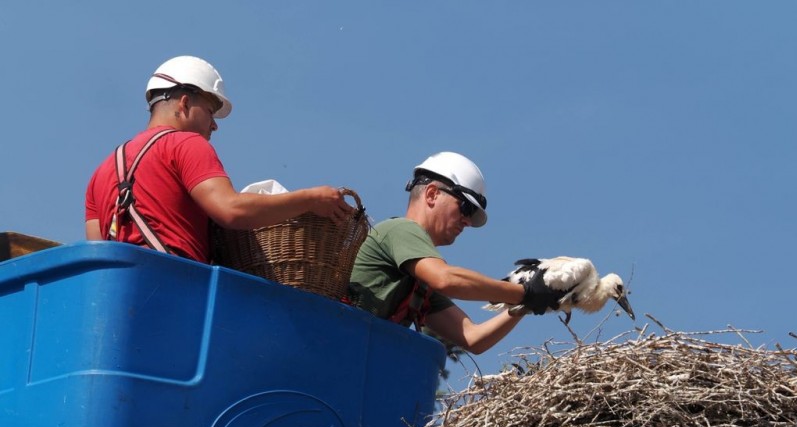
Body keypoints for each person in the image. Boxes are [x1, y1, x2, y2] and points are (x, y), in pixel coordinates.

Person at [85, 55, 352, 263]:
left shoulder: (102, 172)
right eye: (211, 113)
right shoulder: (186, 144)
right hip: (173, 291)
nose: (214, 126)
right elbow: (231, 210)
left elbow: (97, 256)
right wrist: (310, 200)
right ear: (185, 104)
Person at [347, 151, 556, 355]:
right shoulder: (401, 230)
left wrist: (526, 303)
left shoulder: (420, 284)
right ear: (431, 194)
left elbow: (473, 338)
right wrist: (524, 291)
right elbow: (446, 279)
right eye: (465, 208)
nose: (467, 221)